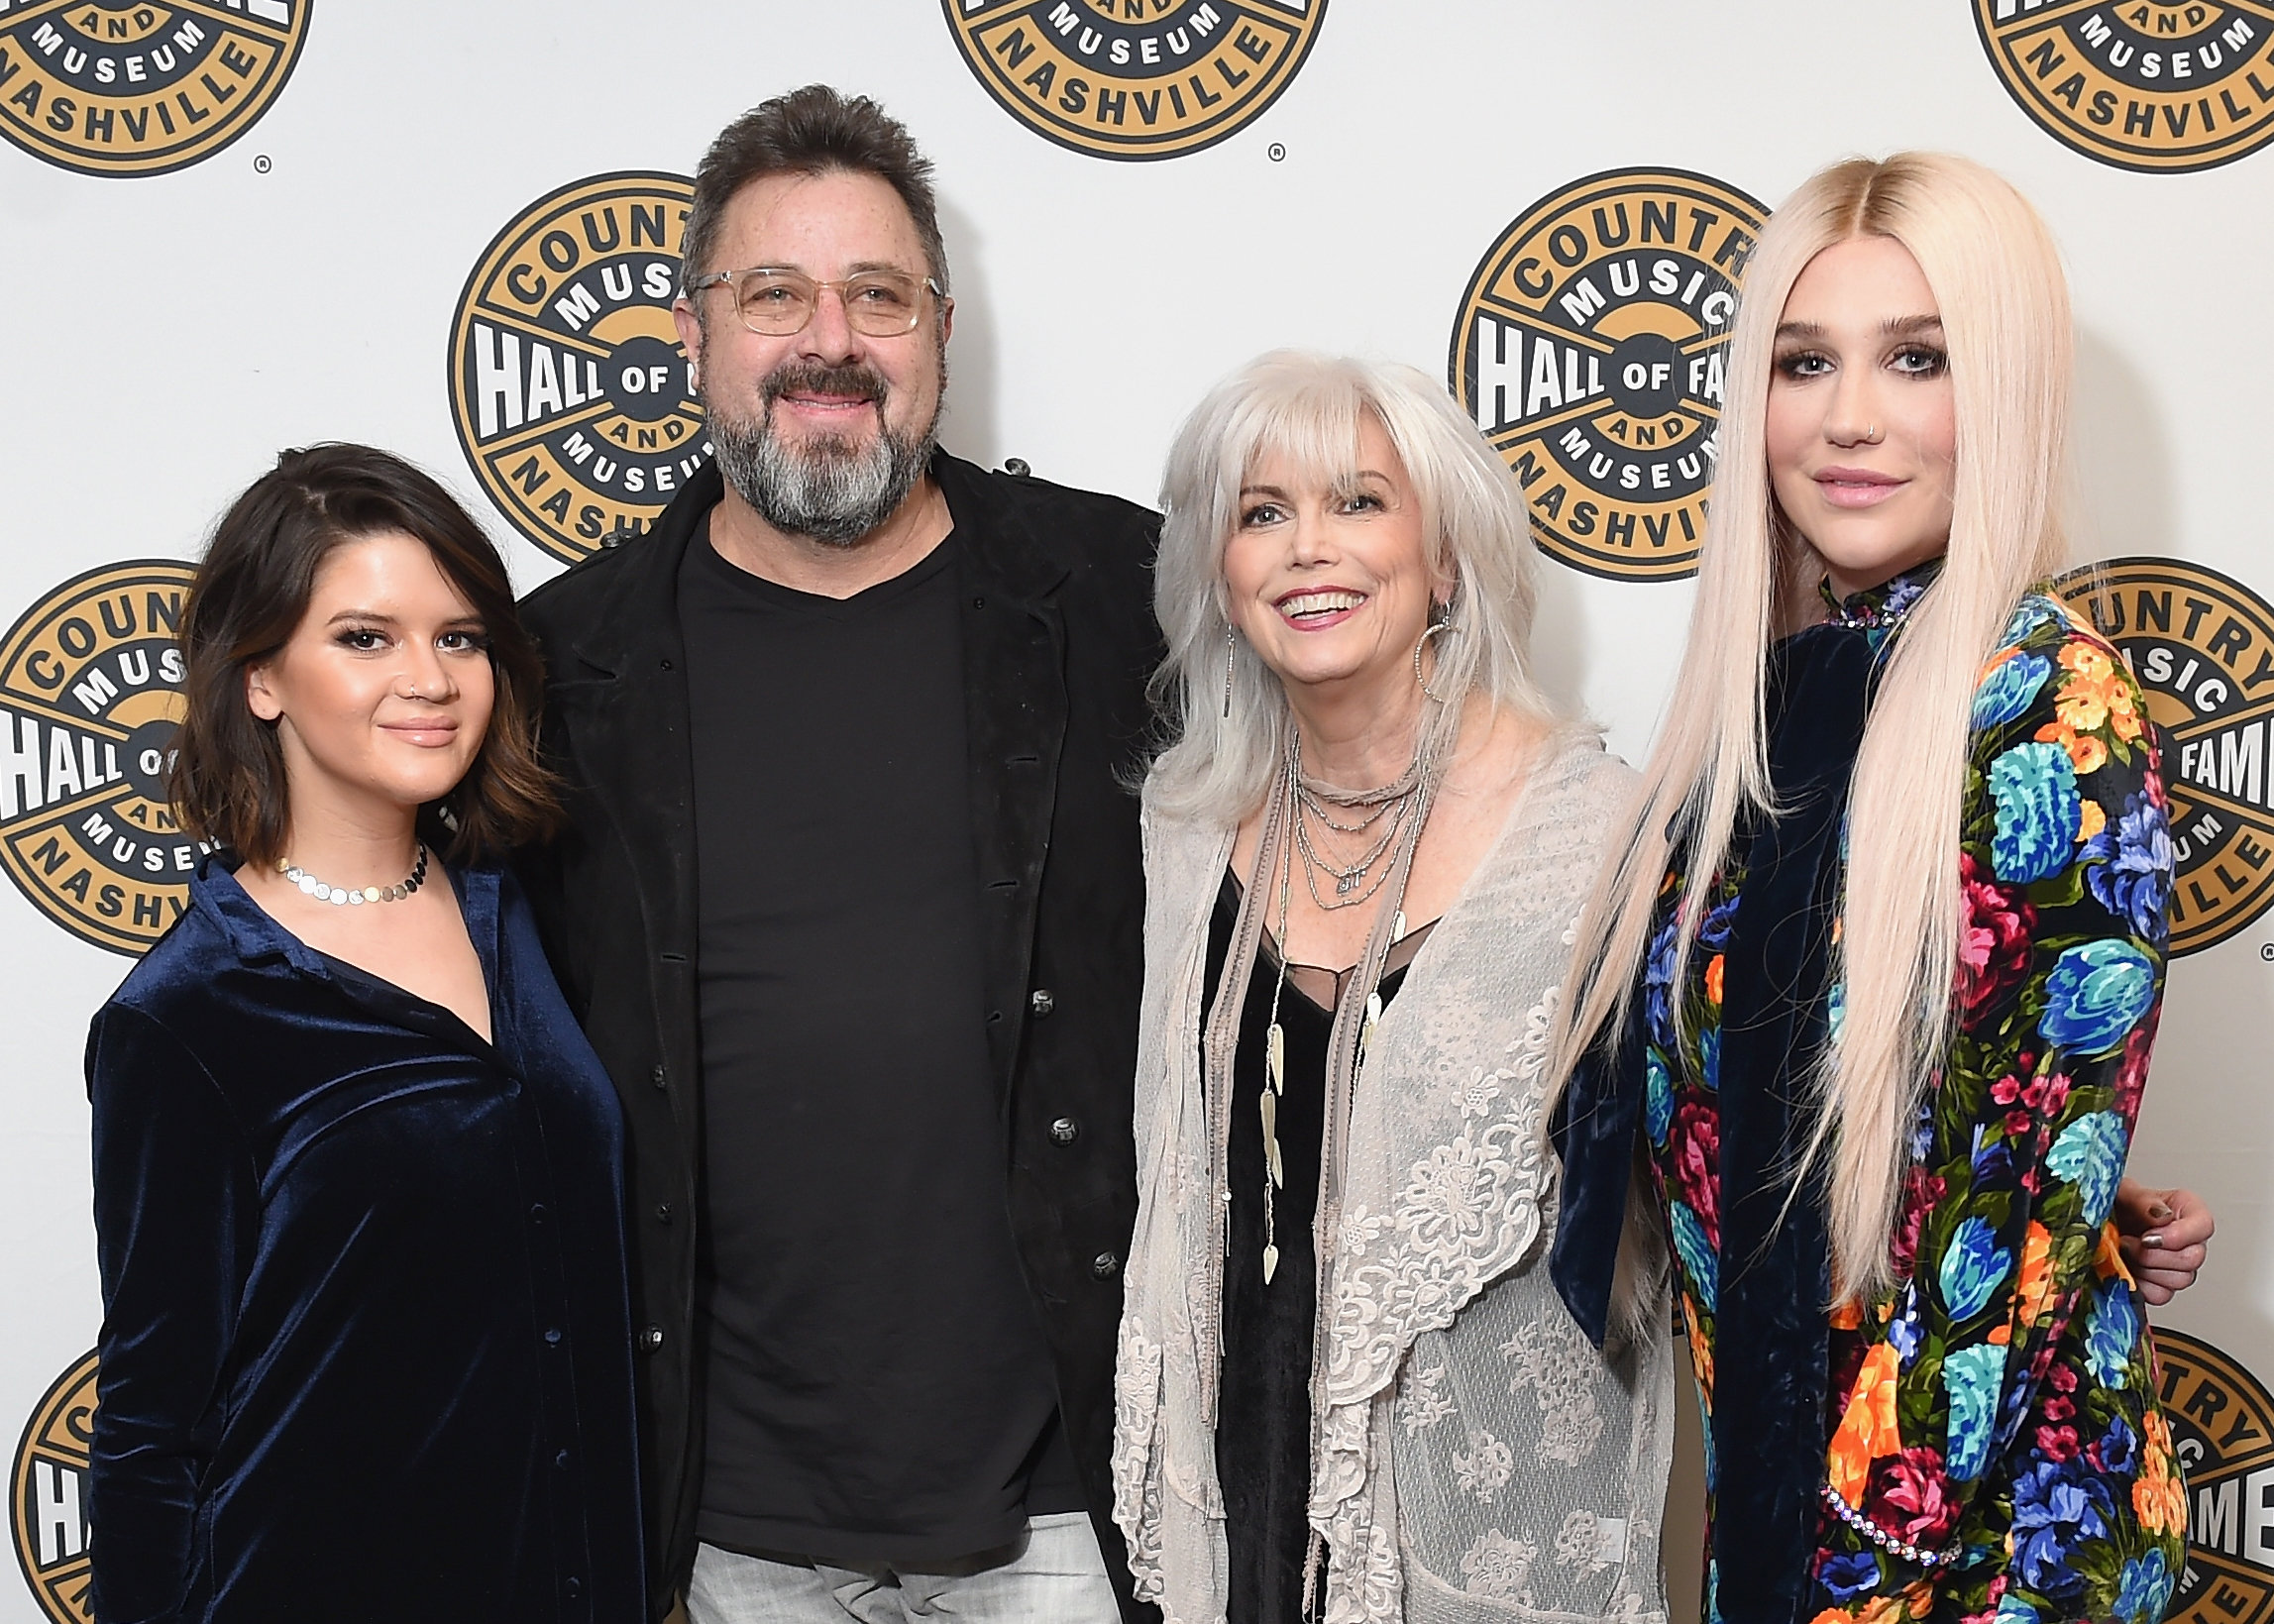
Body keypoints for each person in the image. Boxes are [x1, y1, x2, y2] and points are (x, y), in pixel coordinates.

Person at [514, 86, 1158, 1623]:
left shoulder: (1122, 598)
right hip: (726, 1529)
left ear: (938, 330)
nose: (829, 340)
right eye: (772, 295)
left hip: (1076, 1506)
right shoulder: (559, 667)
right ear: (692, 336)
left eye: (878, 294)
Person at [1549, 154, 2191, 1624]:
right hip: (1793, 1507)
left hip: (1960, 1555)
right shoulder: (1789, 703)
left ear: (2005, 388)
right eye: (1801, 361)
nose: (1846, 417)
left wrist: (1843, 1562)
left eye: (1915, 358)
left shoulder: (2040, 704)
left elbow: (2016, 1214)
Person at [1112, 351, 1673, 1624]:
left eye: (1360, 502)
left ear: (1448, 555)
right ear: (1220, 570)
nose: (1310, 549)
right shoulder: (1185, 834)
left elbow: (1731, 1122)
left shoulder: (1596, 835)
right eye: (1264, 514)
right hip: (1242, 1494)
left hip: (1494, 1522)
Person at [84, 445, 642, 1623]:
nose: (430, 678)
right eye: (364, 636)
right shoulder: (188, 1014)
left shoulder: (526, 912)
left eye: (459, 636)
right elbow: (148, 1430)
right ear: (259, 677)